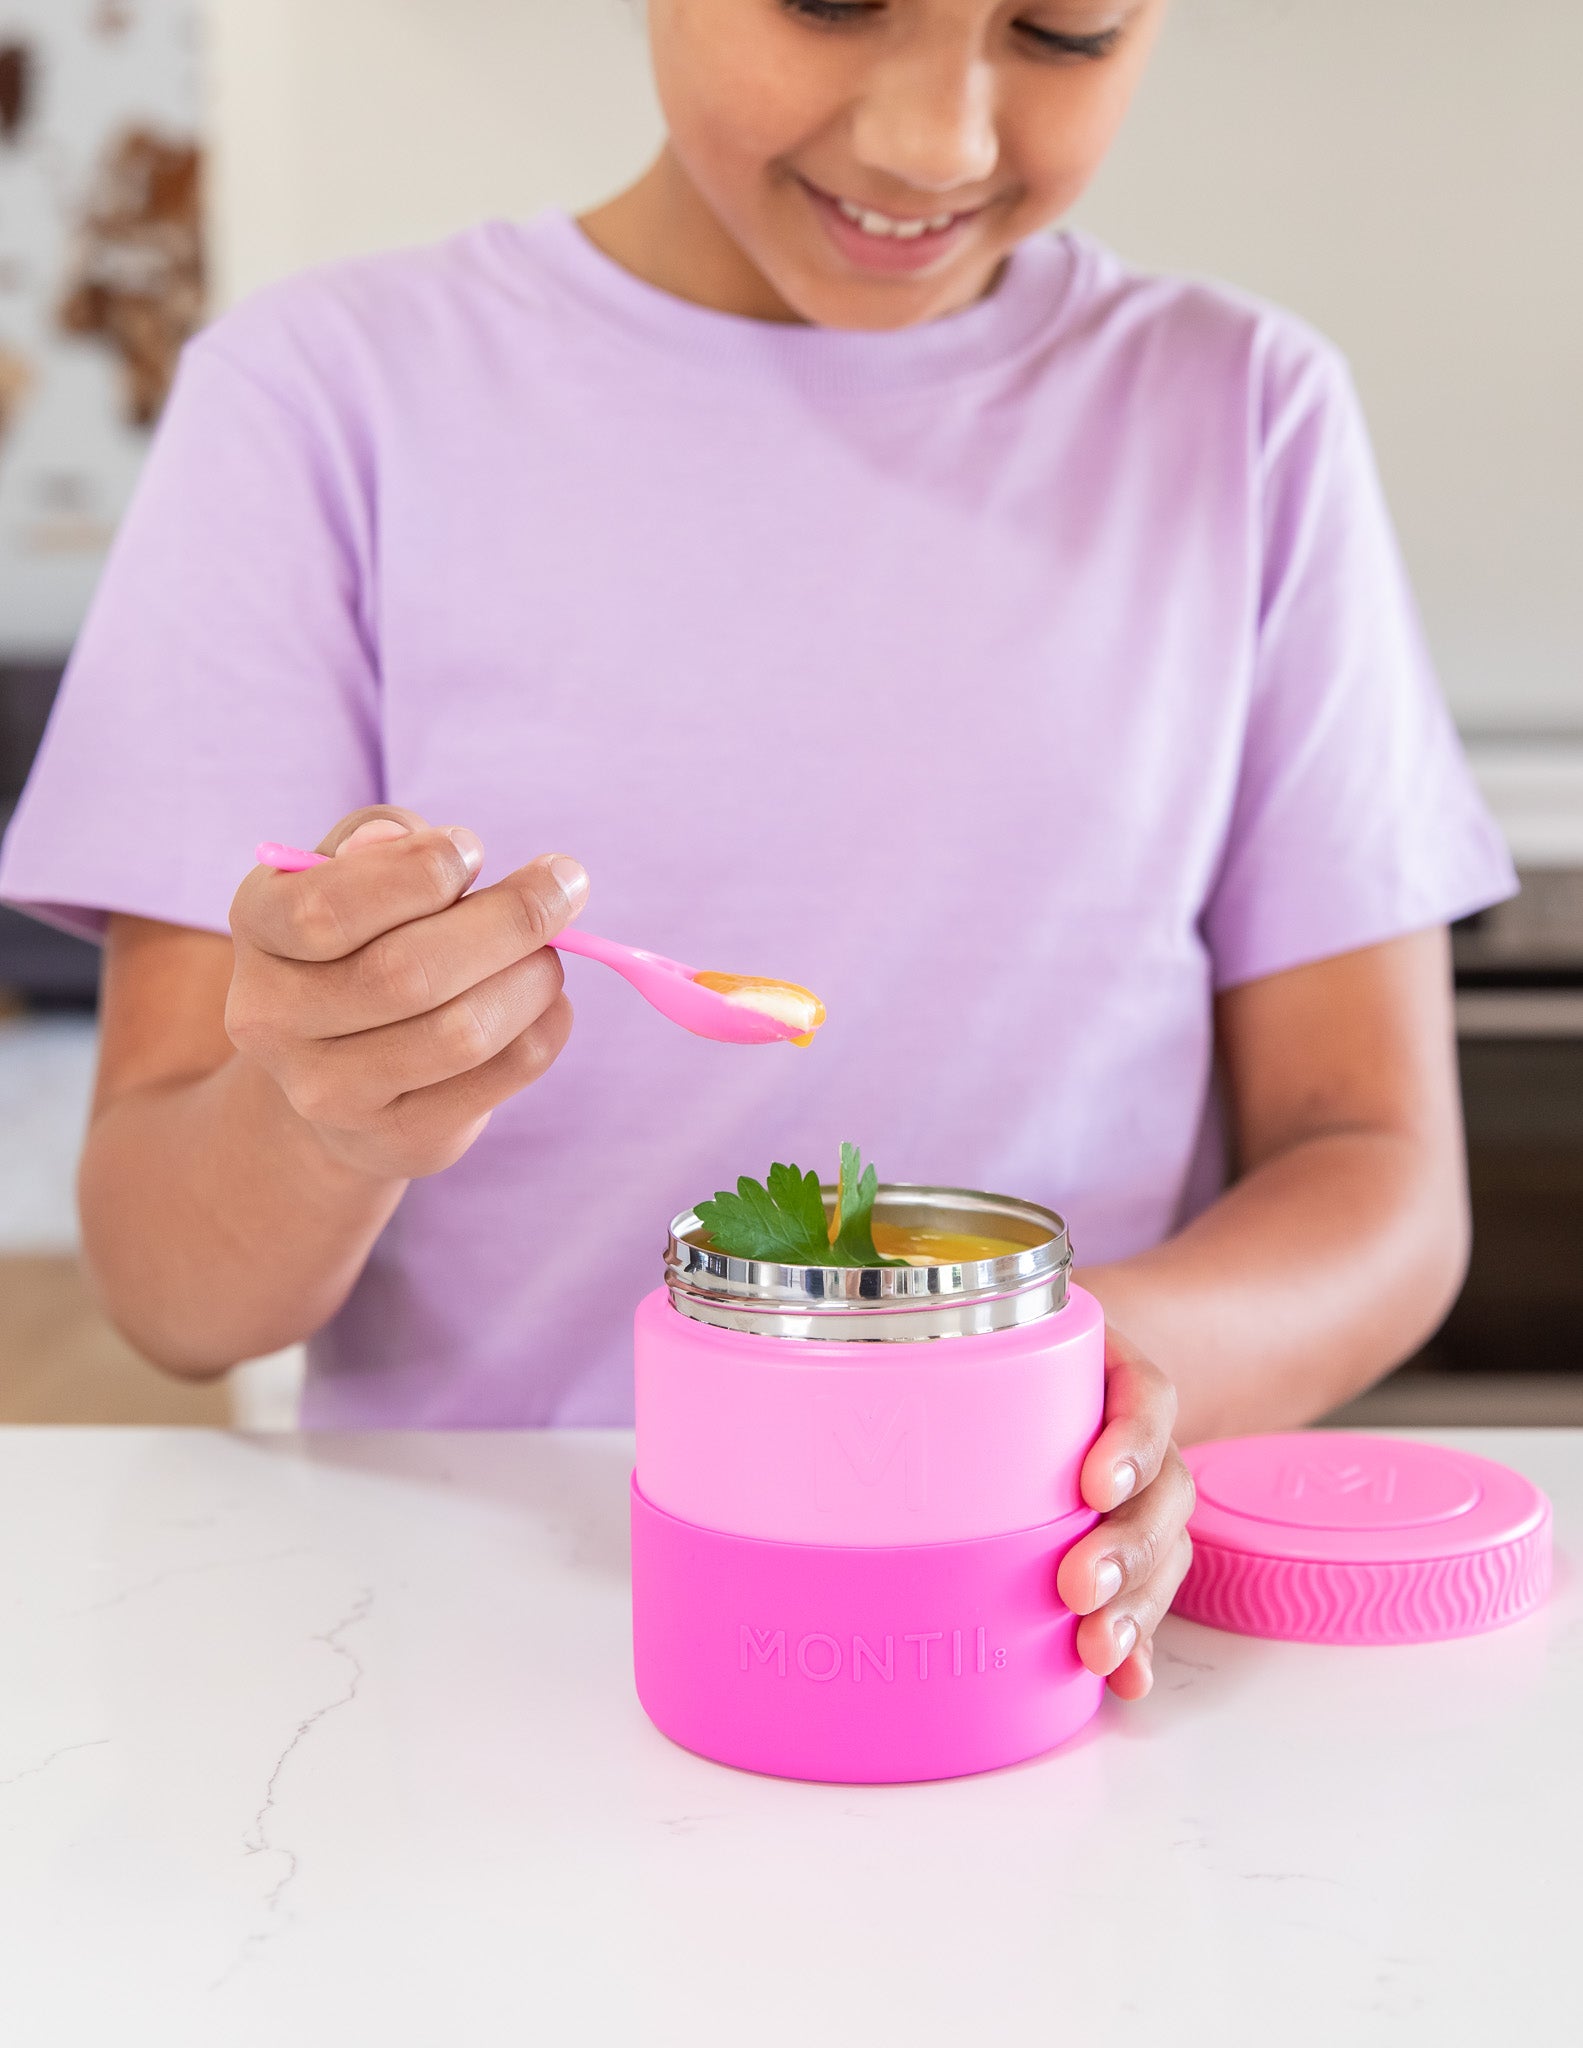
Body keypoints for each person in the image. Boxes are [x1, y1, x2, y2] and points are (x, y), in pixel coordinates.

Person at [0, 0, 1514, 1702]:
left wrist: (1073, 1376)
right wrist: (315, 1113)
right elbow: (167, 1290)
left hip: (1023, 1645)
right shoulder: (319, 404)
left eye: (1066, 30)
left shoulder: (1245, 416)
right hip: (456, 1672)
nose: (935, 139)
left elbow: (1380, 1178)